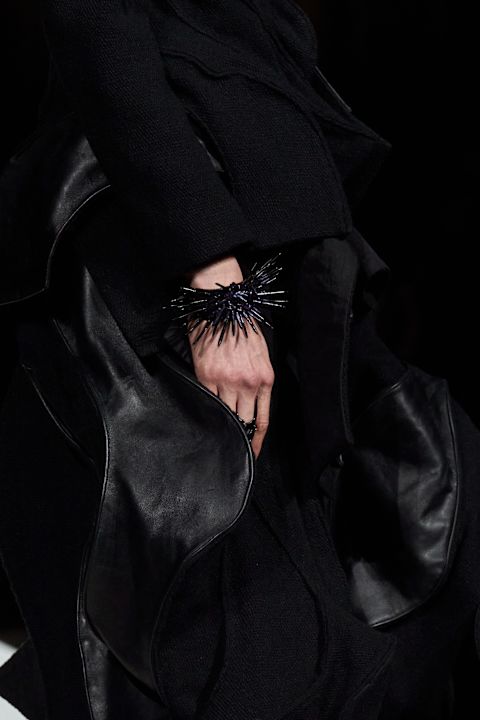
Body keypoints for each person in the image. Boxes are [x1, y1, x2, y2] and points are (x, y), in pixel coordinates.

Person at [1, 1, 480, 718]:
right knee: (239, 638)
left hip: (264, 240)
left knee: (427, 536)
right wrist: (213, 282)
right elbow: (97, 25)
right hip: (170, 251)